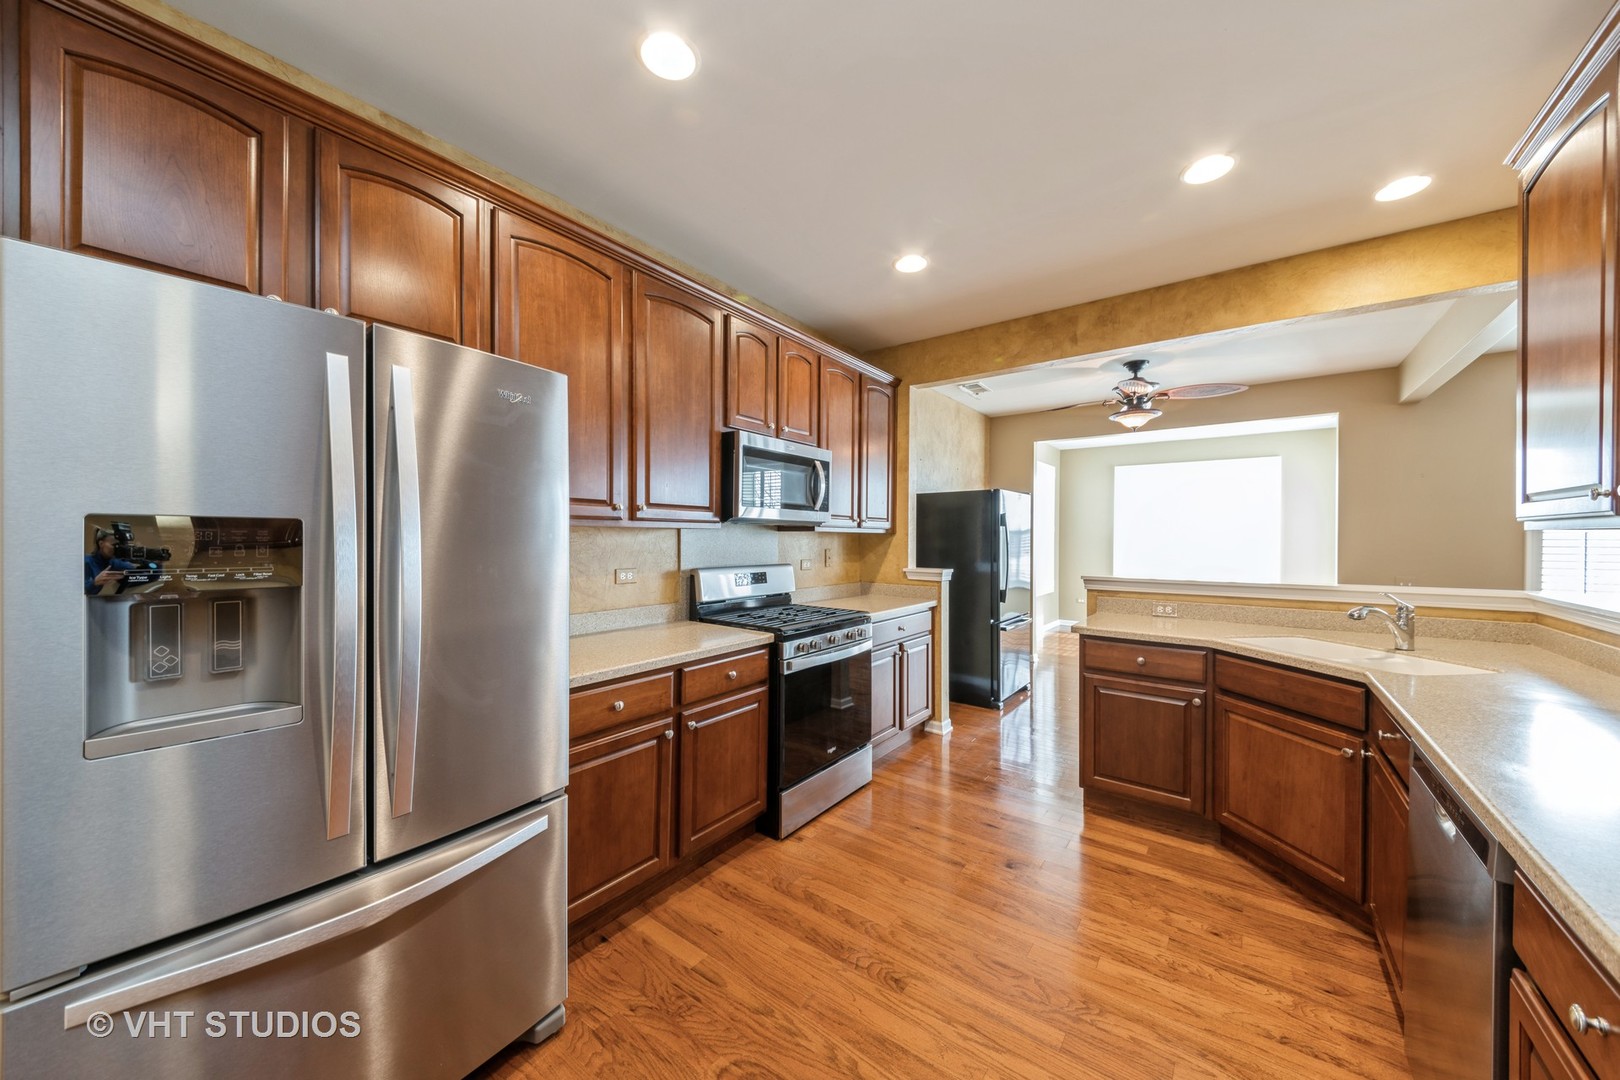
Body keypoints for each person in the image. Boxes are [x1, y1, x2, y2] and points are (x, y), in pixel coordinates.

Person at [84, 527, 130, 595]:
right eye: (114, 545)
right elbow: (75, 592)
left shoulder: (113, 562)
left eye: (120, 546)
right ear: (101, 544)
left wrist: (136, 555)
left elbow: (135, 569)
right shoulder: (85, 562)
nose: (118, 548)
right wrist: (94, 583)